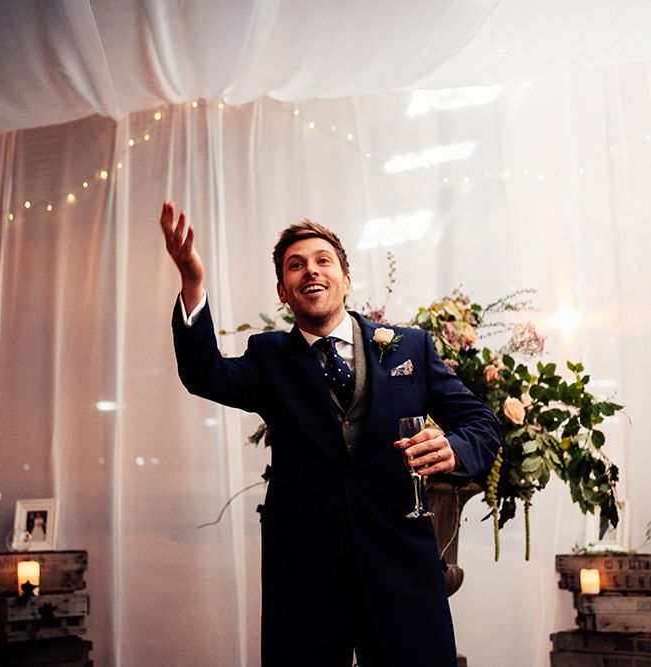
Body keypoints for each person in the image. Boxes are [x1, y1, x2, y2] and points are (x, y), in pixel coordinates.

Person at [160, 201, 501, 667]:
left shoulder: (410, 348)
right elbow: (205, 375)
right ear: (283, 291)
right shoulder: (268, 356)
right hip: (305, 570)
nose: (310, 272)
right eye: (295, 266)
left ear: (346, 279)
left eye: (323, 261)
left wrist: (452, 450)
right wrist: (192, 284)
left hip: (401, 561)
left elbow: (482, 424)